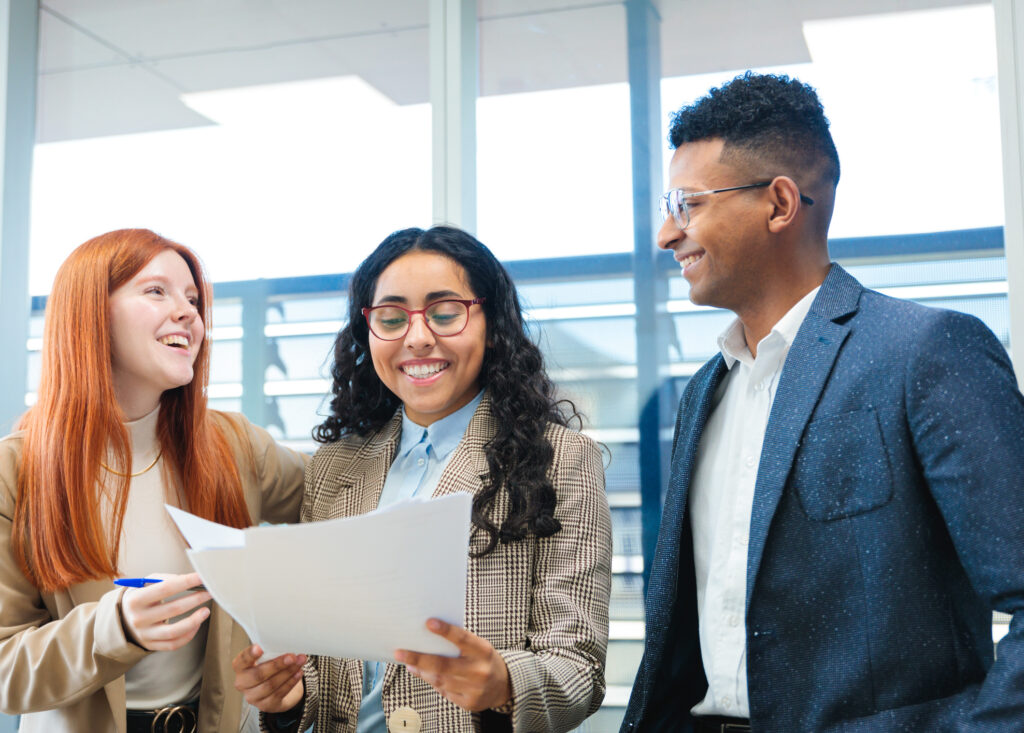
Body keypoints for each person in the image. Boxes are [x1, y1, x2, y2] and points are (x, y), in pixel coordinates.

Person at [621, 72, 1024, 732]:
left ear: (780, 203)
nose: (667, 234)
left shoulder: (925, 350)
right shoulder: (702, 392)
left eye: (686, 203)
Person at [233, 225, 612, 733]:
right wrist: (287, 697)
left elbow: (579, 668)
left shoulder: (562, 460)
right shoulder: (333, 468)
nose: (417, 337)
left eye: (445, 313)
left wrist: (502, 683)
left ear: (492, 324)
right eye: (391, 318)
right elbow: (327, 671)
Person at [0, 229, 308, 733]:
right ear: (90, 314)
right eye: (156, 291)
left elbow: (345, 492)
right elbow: (4, 671)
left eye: (193, 299)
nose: (189, 312)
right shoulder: (14, 473)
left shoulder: (234, 447)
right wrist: (114, 627)